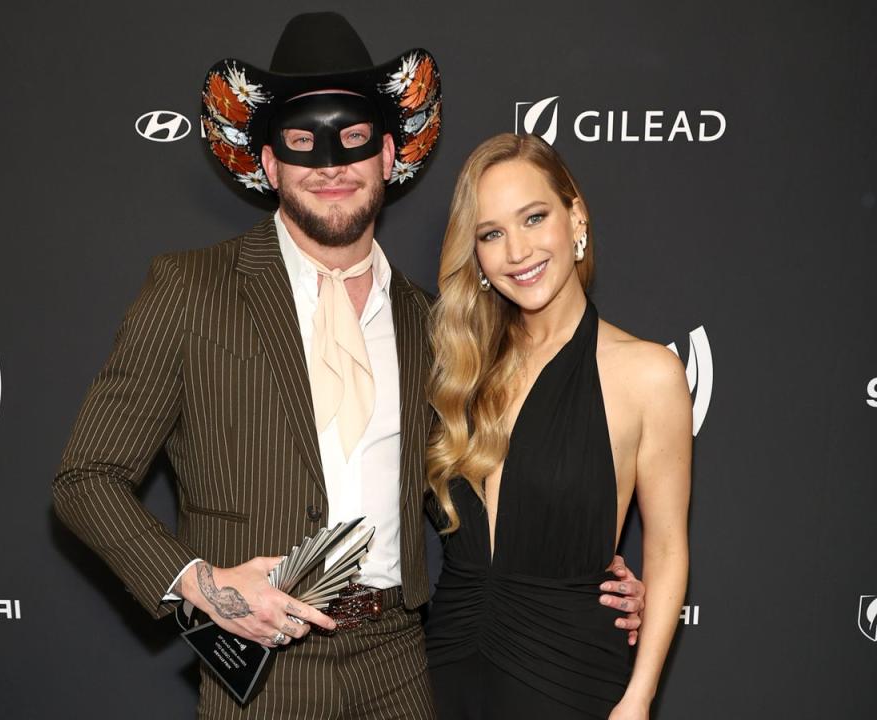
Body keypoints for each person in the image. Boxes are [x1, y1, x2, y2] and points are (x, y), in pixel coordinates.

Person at [53, 14, 646, 720]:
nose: (330, 166)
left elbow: (479, 479)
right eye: (302, 144)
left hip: (400, 660)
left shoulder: (432, 323)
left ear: (388, 154)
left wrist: (578, 575)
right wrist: (198, 581)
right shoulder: (192, 289)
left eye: (353, 141)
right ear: (268, 163)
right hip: (264, 669)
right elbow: (85, 479)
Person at [425, 133, 691, 719]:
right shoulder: (458, 369)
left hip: (569, 678)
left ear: (576, 218)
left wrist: (638, 699)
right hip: (446, 671)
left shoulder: (649, 374)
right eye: (492, 233)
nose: (516, 250)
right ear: (477, 256)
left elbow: (669, 547)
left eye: (534, 218)